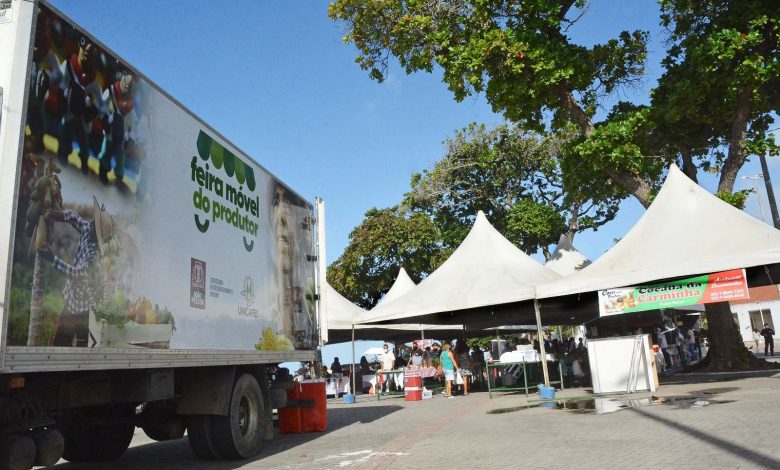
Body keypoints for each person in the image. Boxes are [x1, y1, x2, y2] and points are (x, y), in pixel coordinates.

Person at [38, 197, 113, 347]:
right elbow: (76, 218)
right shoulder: (88, 230)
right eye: (94, 220)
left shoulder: (94, 257)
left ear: (97, 234)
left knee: (80, 344)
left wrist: (52, 258)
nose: (91, 221)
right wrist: (62, 215)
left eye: (95, 224)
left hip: (83, 307)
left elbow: (75, 274)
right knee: (61, 340)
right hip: (73, 298)